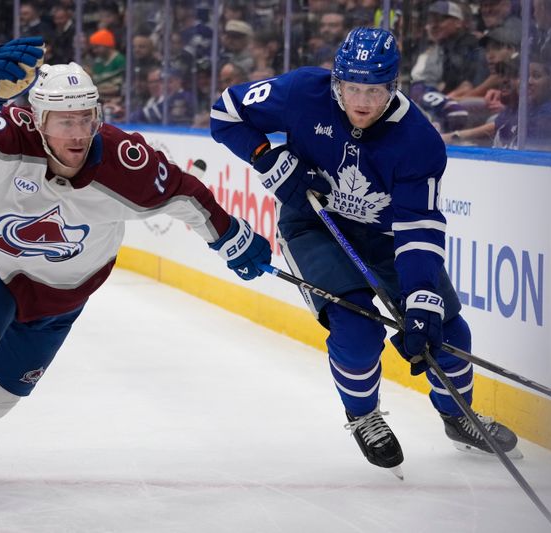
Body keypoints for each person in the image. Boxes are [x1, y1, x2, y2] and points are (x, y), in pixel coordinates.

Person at [0, 43, 272, 494]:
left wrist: (230, 236)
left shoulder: (126, 163)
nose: (77, 133)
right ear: (38, 119)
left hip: (60, 298)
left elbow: (185, 193)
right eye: (64, 120)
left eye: (85, 118)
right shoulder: (9, 136)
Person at [210, 27, 520, 476]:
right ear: (335, 81)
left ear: (393, 88)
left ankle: (457, 415)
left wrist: (420, 299)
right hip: (314, 225)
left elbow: (418, 229)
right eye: (351, 88)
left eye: (374, 91)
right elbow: (226, 113)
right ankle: (363, 416)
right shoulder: (301, 91)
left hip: (387, 238)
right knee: (355, 328)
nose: (361, 101)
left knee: (449, 334)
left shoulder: (418, 141)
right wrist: (265, 155)